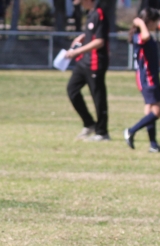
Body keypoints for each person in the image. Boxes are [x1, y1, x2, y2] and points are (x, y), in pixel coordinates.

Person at [124, 9, 160, 153]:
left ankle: (153, 145)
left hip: (151, 77)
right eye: (156, 21)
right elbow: (145, 35)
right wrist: (141, 23)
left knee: (150, 111)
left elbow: (152, 59)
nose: (158, 24)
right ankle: (131, 131)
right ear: (149, 22)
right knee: (158, 111)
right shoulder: (139, 36)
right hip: (147, 78)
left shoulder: (146, 37)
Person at [64, 0, 110, 141]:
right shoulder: (90, 13)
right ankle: (89, 123)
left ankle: (102, 133)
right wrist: (83, 36)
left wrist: (77, 51)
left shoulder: (99, 13)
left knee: (98, 97)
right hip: (84, 62)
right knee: (72, 90)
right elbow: (93, 34)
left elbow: (100, 41)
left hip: (96, 62)